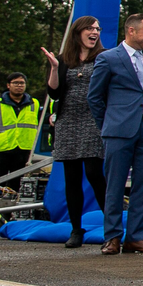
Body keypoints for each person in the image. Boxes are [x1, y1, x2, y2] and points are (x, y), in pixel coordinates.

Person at [88, 13, 143, 256]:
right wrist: (108, 124)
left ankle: (136, 238)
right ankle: (112, 238)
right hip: (118, 130)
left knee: (142, 186)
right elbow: (95, 97)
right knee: (115, 185)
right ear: (131, 31)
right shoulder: (108, 58)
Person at [41, 16, 107, 248]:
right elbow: (54, 93)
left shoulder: (103, 57)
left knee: (94, 173)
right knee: (71, 178)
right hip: (68, 121)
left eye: (97, 29)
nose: (94, 32)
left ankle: (112, 228)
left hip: (93, 121)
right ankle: (76, 230)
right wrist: (55, 69)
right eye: (90, 28)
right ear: (78, 32)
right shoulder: (64, 60)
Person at [0, 73, 42, 186]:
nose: (19, 86)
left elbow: (39, 121)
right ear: (8, 85)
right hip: (1, 150)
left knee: (18, 183)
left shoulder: (34, 103)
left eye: (22, 83)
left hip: (24, 149)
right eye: (15, 83)